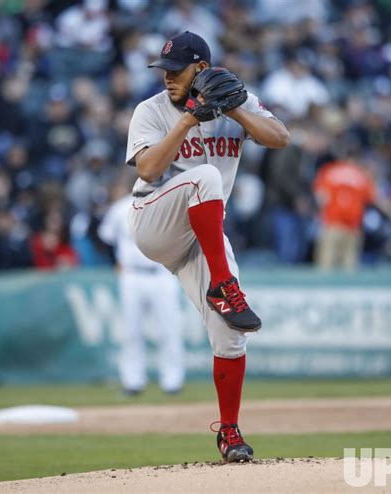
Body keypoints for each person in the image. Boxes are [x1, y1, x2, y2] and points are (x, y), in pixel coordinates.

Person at [125, 31, 289, 462]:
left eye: (175, 70)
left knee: (232, 336)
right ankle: (223, 285)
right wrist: (187, 120)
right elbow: (147, 167)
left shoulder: (236, 101)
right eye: (162, 70)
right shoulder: (151, 110)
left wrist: (235, 107)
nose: (166, 78)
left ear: (200, 69)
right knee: (207, 177)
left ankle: (230, 433)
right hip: (154, 220)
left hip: (200, 236)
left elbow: (279, 138)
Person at [98, 177, 185, 395]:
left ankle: (172, 381)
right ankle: (132, 381)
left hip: (162, 273)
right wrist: (115, 262)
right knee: (131, 331)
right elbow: (105, 239)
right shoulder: (121, 208)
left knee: (169, 329)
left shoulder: (168, 203)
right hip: (132, 275)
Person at [313, 155, 391, 270]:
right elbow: (377, 199)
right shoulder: (360, 175)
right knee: (349, 268)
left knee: (326, 265)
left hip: (334, 224)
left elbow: (321, 196)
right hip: (350, 226)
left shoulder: (330, 171)